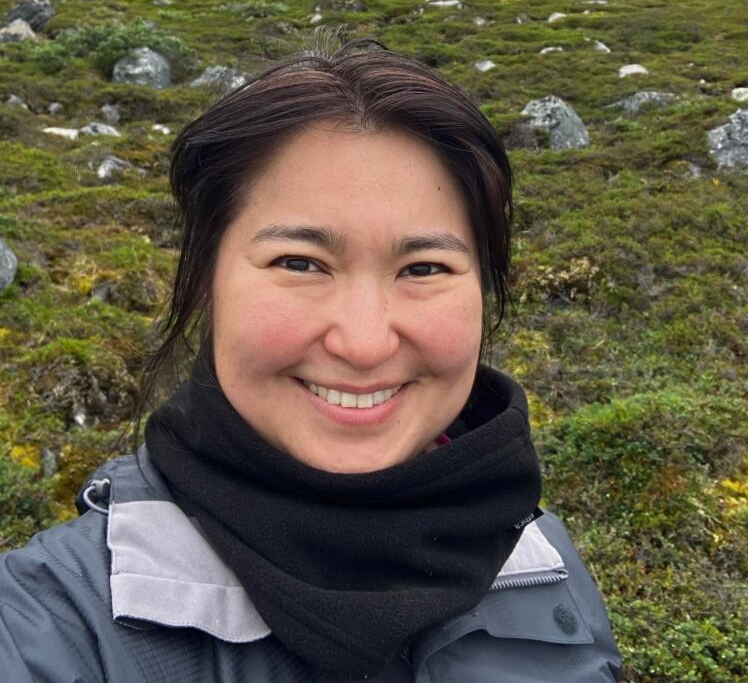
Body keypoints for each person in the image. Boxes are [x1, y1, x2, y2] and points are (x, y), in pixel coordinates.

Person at [0, 38, 621, 682]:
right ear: (207, 280)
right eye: (299, 263)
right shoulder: (51, 622)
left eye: (424, 268)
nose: (363, 342)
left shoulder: (539, 559)